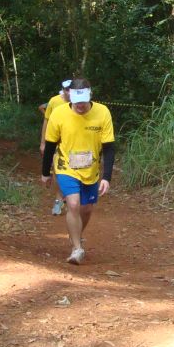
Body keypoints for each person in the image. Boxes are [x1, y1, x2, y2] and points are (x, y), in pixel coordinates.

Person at [41, 78, 115, 264]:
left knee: (86, 209)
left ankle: (76, 234)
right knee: (73, 204)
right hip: (66, 167)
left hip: (91, 169)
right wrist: (45, 172)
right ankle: (77, 249)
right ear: (70, 98)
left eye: (83, 101)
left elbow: (109, 148)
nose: (80, 106)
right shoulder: (59, 113)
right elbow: (50, 145)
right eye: (76, 102)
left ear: (90, 96)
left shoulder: (103, 112)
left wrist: (106, 177)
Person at [41, 79, 72, 215]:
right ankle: (59, 200)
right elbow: (46, 122)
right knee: (57, 171)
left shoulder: (79, 103)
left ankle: (69, 198)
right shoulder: (54, 101)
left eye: (71, 89)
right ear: (63, 90)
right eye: (66, 89)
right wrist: (43, 143)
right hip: (56, 142)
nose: (69, 92)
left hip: (73, 144)